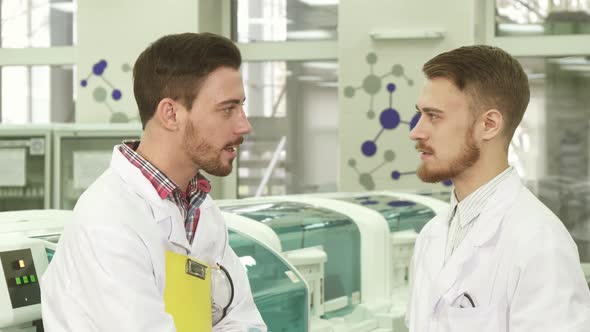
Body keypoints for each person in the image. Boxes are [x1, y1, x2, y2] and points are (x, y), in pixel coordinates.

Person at [41, 32, 267, 331]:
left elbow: (243, 320)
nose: (244, 125)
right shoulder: (108, 219)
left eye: (241, 106)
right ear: (171, 114)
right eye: (228, 109)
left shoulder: (200, 209)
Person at [406, 45, 590, 332]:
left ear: (489, 124)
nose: (415, 131)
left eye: (434, 116)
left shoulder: (540, 243)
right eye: (419, 114)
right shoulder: (432, 235)